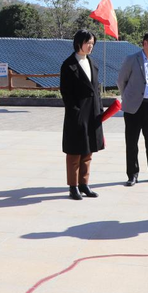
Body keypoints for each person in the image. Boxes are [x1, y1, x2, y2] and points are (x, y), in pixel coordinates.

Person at [117, 31, 148, 186]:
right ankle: (132, 175)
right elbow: (121, 81)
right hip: (134, 108)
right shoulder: (132, 59)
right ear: (145, 43)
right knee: (132, 143)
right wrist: (128, 98)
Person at [59, 29, 104, 200]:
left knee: (88, 150)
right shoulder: (68, 65)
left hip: (93, 111)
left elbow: (96, 90)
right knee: (75, 151)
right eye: (88, 43)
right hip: (77, 113)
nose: (91, 46)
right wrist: (74, 112)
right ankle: (73, 186)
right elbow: (66, 92)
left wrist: (100, 109)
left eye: (92, 43)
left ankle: (84, 183)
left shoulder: (93, 63)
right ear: (79, 43)